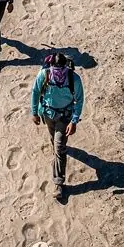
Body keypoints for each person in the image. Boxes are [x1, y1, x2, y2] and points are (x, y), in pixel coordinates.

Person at [31, 51, 85, 202]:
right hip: (47, 114)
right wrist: (34, 112)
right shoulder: (44, 75)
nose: (58, 73)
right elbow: (35, 92)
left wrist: (74, 121)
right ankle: (57, 151)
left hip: (64, 117)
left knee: (59, 147)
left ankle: (58, 183)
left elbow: (79, 100)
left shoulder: (74, 79)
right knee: (53, 139)